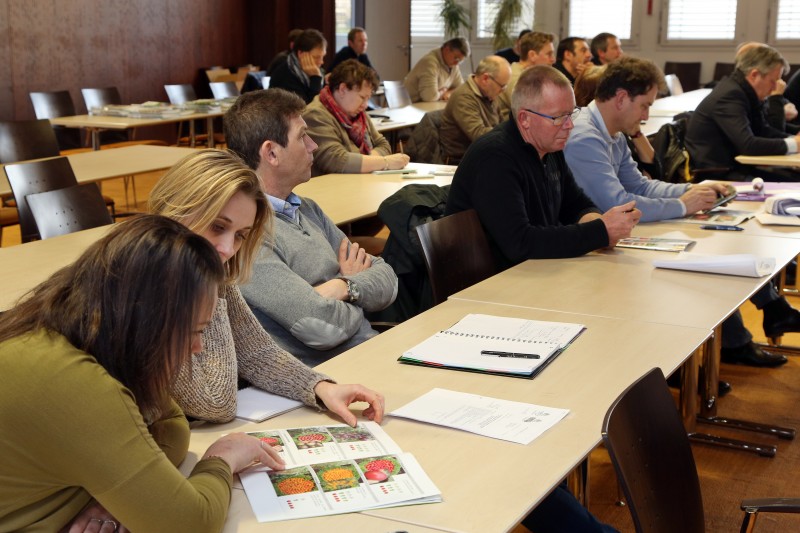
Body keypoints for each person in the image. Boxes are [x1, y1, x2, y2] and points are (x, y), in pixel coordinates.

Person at [0, 215, 285, 531]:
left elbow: (173, 426)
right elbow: (189, 524)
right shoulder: (77, 385)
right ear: (148, 321)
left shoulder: (70, 328)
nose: (196, 347)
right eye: (194, 331)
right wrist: (222, 458)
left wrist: (113, 495)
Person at [565, 56, 793, 367]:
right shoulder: (584, 135)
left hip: (607, 239)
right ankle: (699, 357)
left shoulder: (611, 132)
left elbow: (642, 186)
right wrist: (683, 204)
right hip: (582, 252)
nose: (647, 116)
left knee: (706, 249)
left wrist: (690, 191)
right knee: (693, 262)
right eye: (645, 105)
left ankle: (733, 342)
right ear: (621, 99)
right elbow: (616, 203)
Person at [148, 149, 386, 423]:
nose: (227, 248)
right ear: (179, 208)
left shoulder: (210, 269)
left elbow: (256, 351)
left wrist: (321, 388)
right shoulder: (150, 283)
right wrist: (209, 296)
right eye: (216, 226)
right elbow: (215, 402)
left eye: (240, 236)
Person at [224, 89, 398, 365]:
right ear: (271, 153)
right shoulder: (248, 234)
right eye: (303, 136)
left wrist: (342, 287)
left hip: (371, 352)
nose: (313, 145)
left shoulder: (307, 209)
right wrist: (357, 290)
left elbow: (389, 281)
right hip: (330, 375)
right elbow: (323, 330)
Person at [445, 65, 641, 272]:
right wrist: (599, 232)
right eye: (558, 118)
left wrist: (600, 224)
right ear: (525, 119)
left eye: (571, 114)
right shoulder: (494, 158)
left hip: (530, 273)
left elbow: (575, 205)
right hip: (480, 285)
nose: (569, 126)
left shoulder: (550, 147)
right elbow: (520, 243)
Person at [685, 44, 800, 182]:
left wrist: (793, 138)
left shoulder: (744, 91)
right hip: (717, 176)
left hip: (734, 169)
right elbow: (748, 145)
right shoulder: (730, 95)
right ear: (755, 75)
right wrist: (794, 144)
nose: (776, 87)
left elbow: (763, 130)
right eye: (773, 81)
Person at [304, 59, 409, 175]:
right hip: (328, 188)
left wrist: (368, 161)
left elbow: (383, 144)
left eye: (368, 98)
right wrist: (384, 162)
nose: (365, 105)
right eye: (362, 97)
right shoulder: (315, 114)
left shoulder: (358, 113)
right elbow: (337, 161)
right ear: (343, 89)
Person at [439, 55, 511, 163]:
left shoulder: (489, 94)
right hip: (461, 161)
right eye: (502, 86)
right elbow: (479, 134)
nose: (503, 91)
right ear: (485, 78)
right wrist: (511, 134)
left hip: (482, 155)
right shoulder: (464, 97)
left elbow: (501, 124)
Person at [497, 31, 556, 120]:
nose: (553, 59)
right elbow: (533, 114)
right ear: (532, 55)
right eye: (549, 54)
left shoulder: (533, 76)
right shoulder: (516, 79)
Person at [270, 28, 327, 104]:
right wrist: (315, 78)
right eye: (316, 57)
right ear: (300, 53)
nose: (321, 62)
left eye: (322, 56)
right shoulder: (285, 76)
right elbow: (310, 111)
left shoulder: (313, 71)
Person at [404, 37, 469, 102]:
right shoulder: (429, 62)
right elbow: (429, 97)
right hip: (412, 106)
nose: (457, 63)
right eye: (456, 58)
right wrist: (443, 92)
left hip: (430, 105)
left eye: (460, 61)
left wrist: (448, 93)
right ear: (447, 50)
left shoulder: (453, 64)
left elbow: (461, 89)